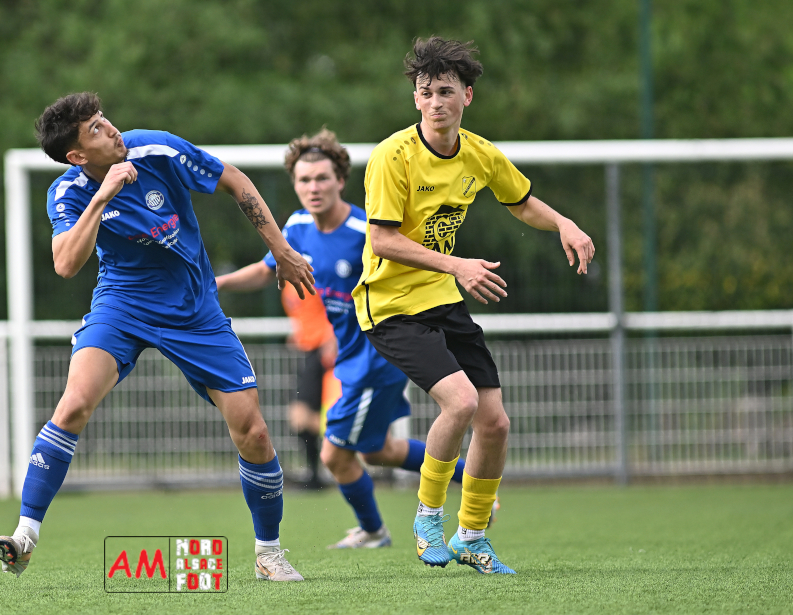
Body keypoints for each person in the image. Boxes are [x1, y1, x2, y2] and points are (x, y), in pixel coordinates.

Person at [0, 92, 315, 582]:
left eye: (104, 119)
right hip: (123, 305)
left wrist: (282, 251)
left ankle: (268, 553)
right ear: (77, 156)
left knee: (254, 432)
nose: (111, 129)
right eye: (95, 130)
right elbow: (65, 263)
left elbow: (234, 180)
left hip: (193, 309)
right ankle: (24, 538)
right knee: (73, 405)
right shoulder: (68, 192)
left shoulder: (157, 149)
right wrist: (103, 196)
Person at [353, 37, 595, 574]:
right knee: (459, 403)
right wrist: (458, 265)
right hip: (391, 305)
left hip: (442, 299)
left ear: (467, 96)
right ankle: (427, 518)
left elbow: (522, 202)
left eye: (445, 91)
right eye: (425, 92)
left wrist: (564, 223)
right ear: (415, 100)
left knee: (495, 423)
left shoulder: (479, 153)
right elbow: (382, 241)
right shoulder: (392, 155)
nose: (435, 101)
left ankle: (472, 536)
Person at [216, 129, 469, 551]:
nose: (313, 187)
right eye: (304, 180)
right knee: (378, 450)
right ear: (295, 184)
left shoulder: (364, 230)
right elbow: (267, 269)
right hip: (351, 356)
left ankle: (374, 531)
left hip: (377, 355)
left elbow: (414, 273)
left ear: (341, 181)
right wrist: (217, 284)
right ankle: (473, 479)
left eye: (322, 178)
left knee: (334, 454)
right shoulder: (297, 227)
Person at [279, 283, 337, 491]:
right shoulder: (286, 283)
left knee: (301, 417)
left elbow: (338, 303)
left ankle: (318, 474)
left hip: (323, 351)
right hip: (309, 351)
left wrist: (332, 338)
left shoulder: (313, 276)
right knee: (302, 418)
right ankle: (314, 476)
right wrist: (300, 334)